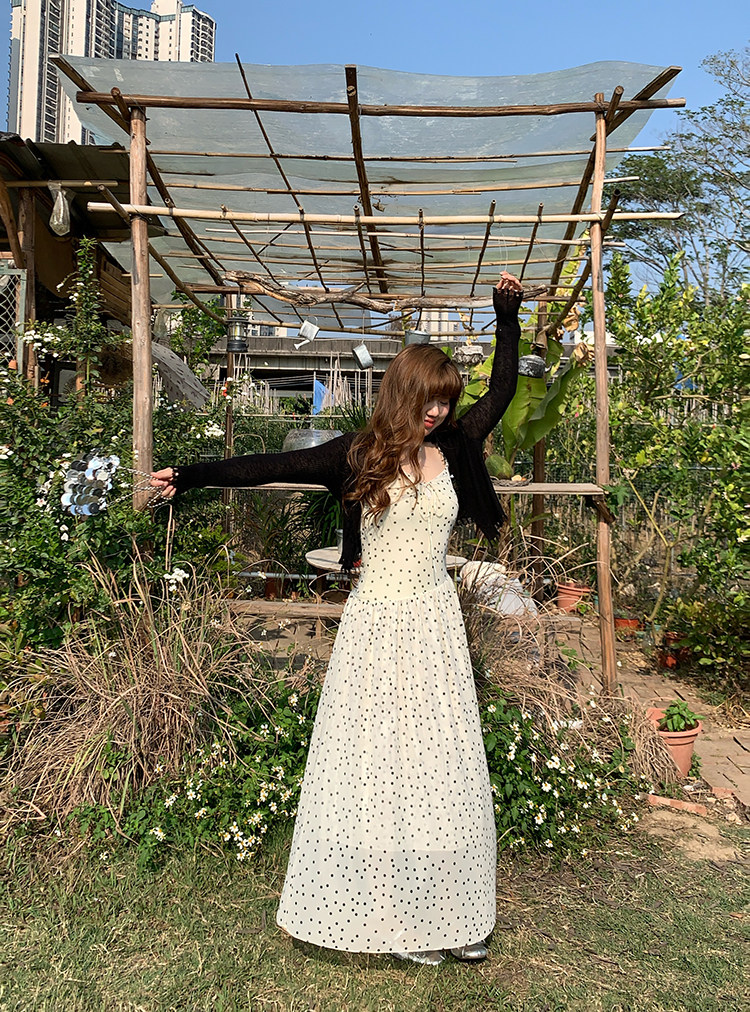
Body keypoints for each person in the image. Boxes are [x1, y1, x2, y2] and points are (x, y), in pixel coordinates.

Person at [151, 273, 525, 965]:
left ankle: (449, 912)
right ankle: (389, 917)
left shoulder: (455, 448)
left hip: (434, 626)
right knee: (376, 768)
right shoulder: (357, 454)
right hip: (376, 628)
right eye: (430, 399)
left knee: (441, 769)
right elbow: (269, 464)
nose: (439, 411)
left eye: (447, 400)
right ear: (403, 393)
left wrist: (506, 317)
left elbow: (501, 390)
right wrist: (189, 474)